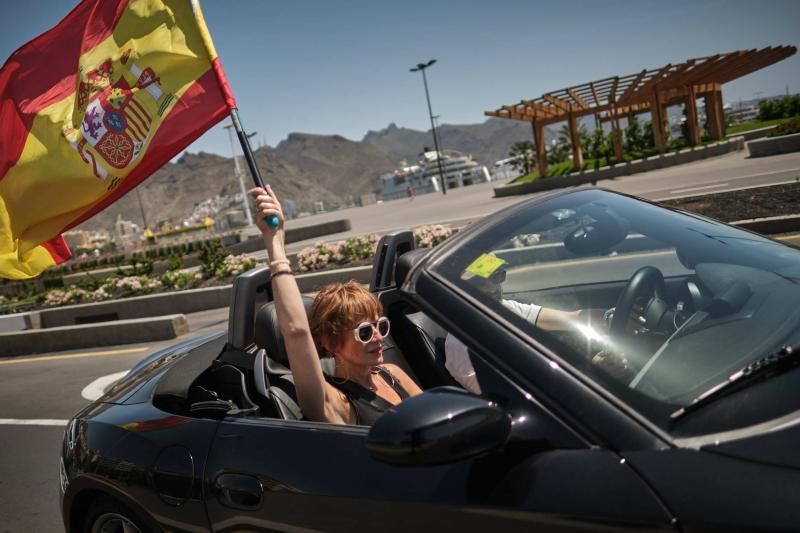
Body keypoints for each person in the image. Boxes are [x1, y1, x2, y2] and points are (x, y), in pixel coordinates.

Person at [250, 185, 422, 426]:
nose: (377, 337)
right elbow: (296, 332)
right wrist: (275, 241)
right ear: (330, 343)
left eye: (380, 326)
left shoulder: (391, 373)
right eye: (364, 331)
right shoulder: (335, 403)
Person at [445, 268, 608, 394]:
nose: (492, 287)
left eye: (496, 275)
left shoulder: (505, 307)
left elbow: (572, 319)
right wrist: (588, 373)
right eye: (478, 282)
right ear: (458, 287)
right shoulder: (459, 343)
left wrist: (611, 317)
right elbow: (509, 396)